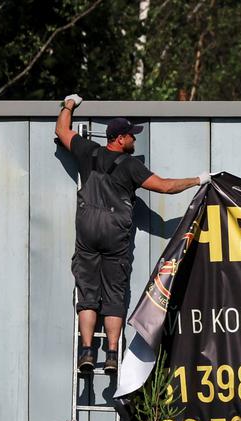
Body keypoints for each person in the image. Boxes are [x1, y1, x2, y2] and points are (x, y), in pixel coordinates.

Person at [54, 94, 209, 376]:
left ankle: (87, 351)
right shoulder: (131, 166)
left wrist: (68, 105)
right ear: (121, 138)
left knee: (88, 295)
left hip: (87, 230)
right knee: (114, 296)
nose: (135, 142)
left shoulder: (88, 151)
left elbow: (61, 130)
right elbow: (163, 187)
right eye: (132, 137)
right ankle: (112, 354)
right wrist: (197, 180)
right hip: (115, 235)